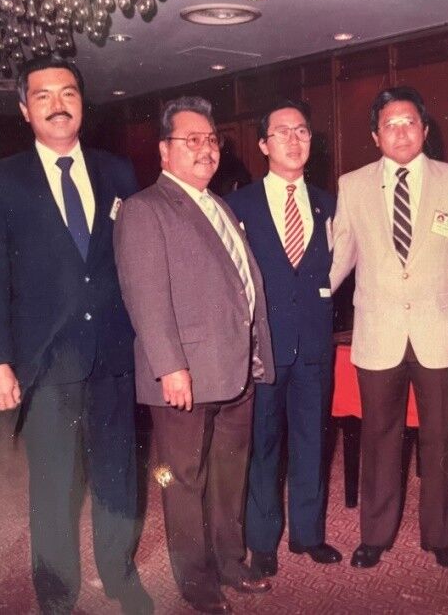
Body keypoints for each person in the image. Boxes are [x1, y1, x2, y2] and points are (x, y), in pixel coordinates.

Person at [0, 55, 150, 614]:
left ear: (82, 104)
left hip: (115, 355)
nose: (57, 104)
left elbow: (135, 263)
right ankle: (56, 593)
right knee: (53, 486)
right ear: (25, 110)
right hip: (46, 362)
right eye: (42, 96)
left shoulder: (118, 172)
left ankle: (119, 575)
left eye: (68, 93)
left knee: (119, 475)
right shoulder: (3, 179)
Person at [114, 96, 275, 614]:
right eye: (192, 140)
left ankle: (230, 561)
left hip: (235, 371)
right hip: (183, 375)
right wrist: (169, 367)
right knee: (183, 480)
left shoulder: (218, 202)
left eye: (211, 139)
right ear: (164, 151)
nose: (205, 149)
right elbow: (146, 297)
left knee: (230, 474)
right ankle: (196, 582)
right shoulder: (145, 209)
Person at [330, 86, 448, 570]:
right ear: (375, 136)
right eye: (390, 124)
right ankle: (375, 535)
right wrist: (303, 299)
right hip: (378, 333)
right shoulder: (352, 185)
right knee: (380, 438)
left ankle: (441, 537)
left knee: (440, 441)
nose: (401, 131)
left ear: (425, 130)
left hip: (439, 333)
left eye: (410, 122)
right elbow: (339, 260)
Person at [226, 99, 341, 577]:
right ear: (262, 144)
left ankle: (309, 535)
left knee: (313, 440)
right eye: (282, 132)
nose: (294, 141)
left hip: (314, 345)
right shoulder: (238, 204)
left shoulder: (330, 203)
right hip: (263, 349)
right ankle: (262, 542)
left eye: (302, 131)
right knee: (264, 444)